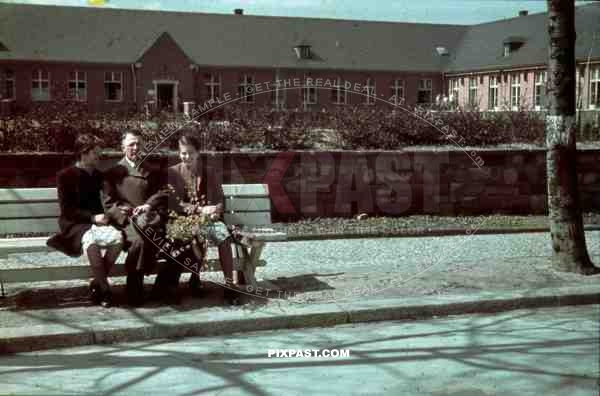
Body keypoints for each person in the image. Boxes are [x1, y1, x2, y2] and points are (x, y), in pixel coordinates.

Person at [159, 132, 242, 305]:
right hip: (184, 220)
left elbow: (220, 199)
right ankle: (194, 278)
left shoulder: (209, 172)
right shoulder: (172, 173)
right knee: (196, 234)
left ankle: (229, 285)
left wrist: (215, 211)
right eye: (183, 153)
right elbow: (175, 203)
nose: (186, 156)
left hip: (209, 220)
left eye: (190, 152)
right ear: (178, 153)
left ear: (197, 153)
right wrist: (199, 210)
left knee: (223, 237)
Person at [46, 134, 125, 308]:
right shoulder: (65, 175)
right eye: (96, 153)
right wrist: (91, 217)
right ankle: (105, 290)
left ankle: (96, 282)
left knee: (118, 239)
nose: (99, 157)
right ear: (84, 152)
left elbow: (108, 198)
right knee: (91, 244)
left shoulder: (98, 175)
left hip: (96, 222)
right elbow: (67, 210)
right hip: (74, 224)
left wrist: (108, 214)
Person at [103, 130, 168, 306]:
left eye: (138, 143)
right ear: (123, 146)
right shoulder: (114, 172)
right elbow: (109, 204)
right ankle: (134, 287)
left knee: (167, 239)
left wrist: (149, 205)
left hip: (150, 219)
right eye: (131, 143)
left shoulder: (152, 170)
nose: (135, 147)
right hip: (127, 222)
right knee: (139, 241)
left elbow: (163, 192)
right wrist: (125, 217)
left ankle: (162, 288)